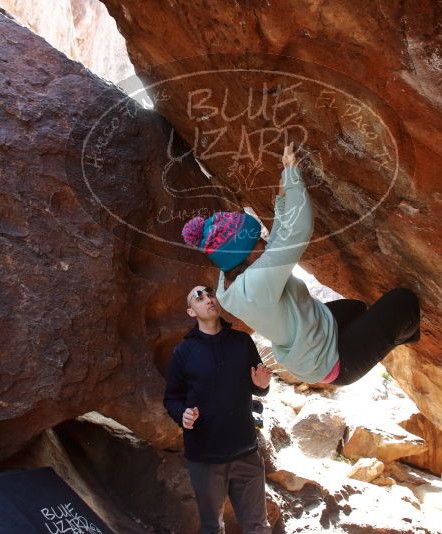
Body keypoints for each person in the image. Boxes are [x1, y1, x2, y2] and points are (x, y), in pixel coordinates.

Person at [180, 143, 420, 386]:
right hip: (333, 363)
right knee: (403, 301)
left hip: (316, 330)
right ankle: (406, 334)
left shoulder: (229, 280)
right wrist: (293, 175)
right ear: (244, 256)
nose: (264, 240)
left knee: (357, 308)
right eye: (257, 241)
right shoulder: (255, 284)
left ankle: (377, 333)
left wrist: (284, 197)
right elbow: (297, 232)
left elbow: (274, 244)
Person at [164, 284, 273, 534]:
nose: (207, 298)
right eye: (198, 297)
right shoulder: (183, 352)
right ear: (191, 312)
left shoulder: (242, 342)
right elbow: (172, 398)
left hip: (246, 451)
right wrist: (183, 415)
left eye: (210, 293)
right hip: (205, 457)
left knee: (258, 526)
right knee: (213, 528)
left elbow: (258, 385)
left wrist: (262, 386)